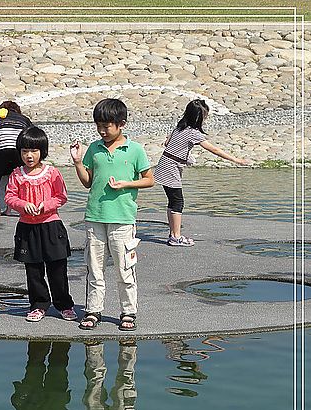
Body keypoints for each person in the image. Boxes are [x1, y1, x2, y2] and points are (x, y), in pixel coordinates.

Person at [70, 99, 154, 332]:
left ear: (121, 124)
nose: (102, 131)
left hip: (123, 218)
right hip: (95, 216)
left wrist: (127, 184)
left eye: (107, 126)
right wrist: (77, 162)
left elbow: (149, 179)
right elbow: (87, 182)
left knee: (124, 268)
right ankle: (93, 310)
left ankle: (128, 312)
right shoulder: (94, 149)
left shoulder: (135, 149)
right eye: (99, 125)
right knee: (94, 268)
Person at [154, 98, 250, 247]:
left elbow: (167, 143)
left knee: (173, 201)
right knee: (178, 202)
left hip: (164, 165)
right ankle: (176, 237)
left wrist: (185, 156)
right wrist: (237, 160)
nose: (205, 119)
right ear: (199, 117)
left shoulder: (179, 127)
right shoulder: (194, 133)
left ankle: (173, 234)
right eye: (205, 116)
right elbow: (215, 150)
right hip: (171, 168)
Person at [5, 126, 77, 323]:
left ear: (42, 152)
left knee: (57, 269)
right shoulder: (16, 174)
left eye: (34, 151)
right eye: (25, 151)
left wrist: (45, 205)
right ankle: (38, 305)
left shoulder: (52, 173)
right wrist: (23, 205)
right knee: (33, 271)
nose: (29, 156)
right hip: (27, 228)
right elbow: (10, 197)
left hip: (51, 226)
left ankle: (64, 304)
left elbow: (61, 196)